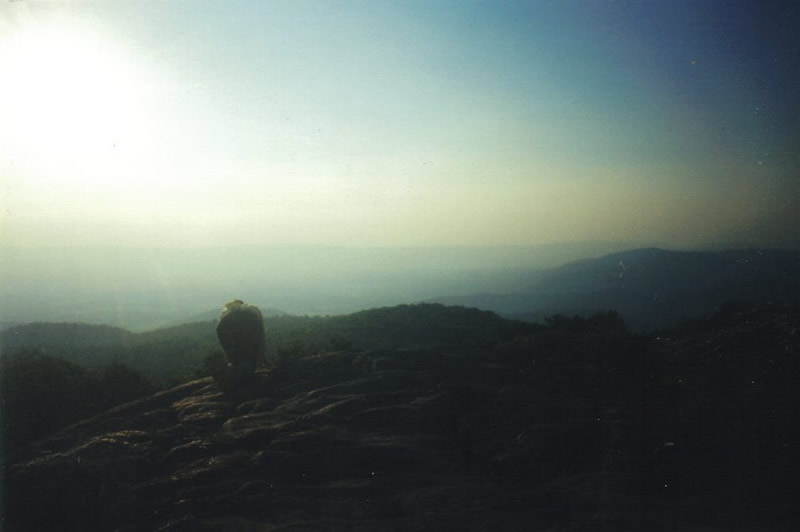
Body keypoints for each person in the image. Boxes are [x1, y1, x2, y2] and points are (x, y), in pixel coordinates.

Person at [216, 299, 266, 385]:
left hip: (240, 359)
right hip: (249, 357)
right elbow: (260, 342)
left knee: (242, 365)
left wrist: (234, 362)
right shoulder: (253, 314)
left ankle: (240, 371)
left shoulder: (225, 319)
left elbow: (228, 348)